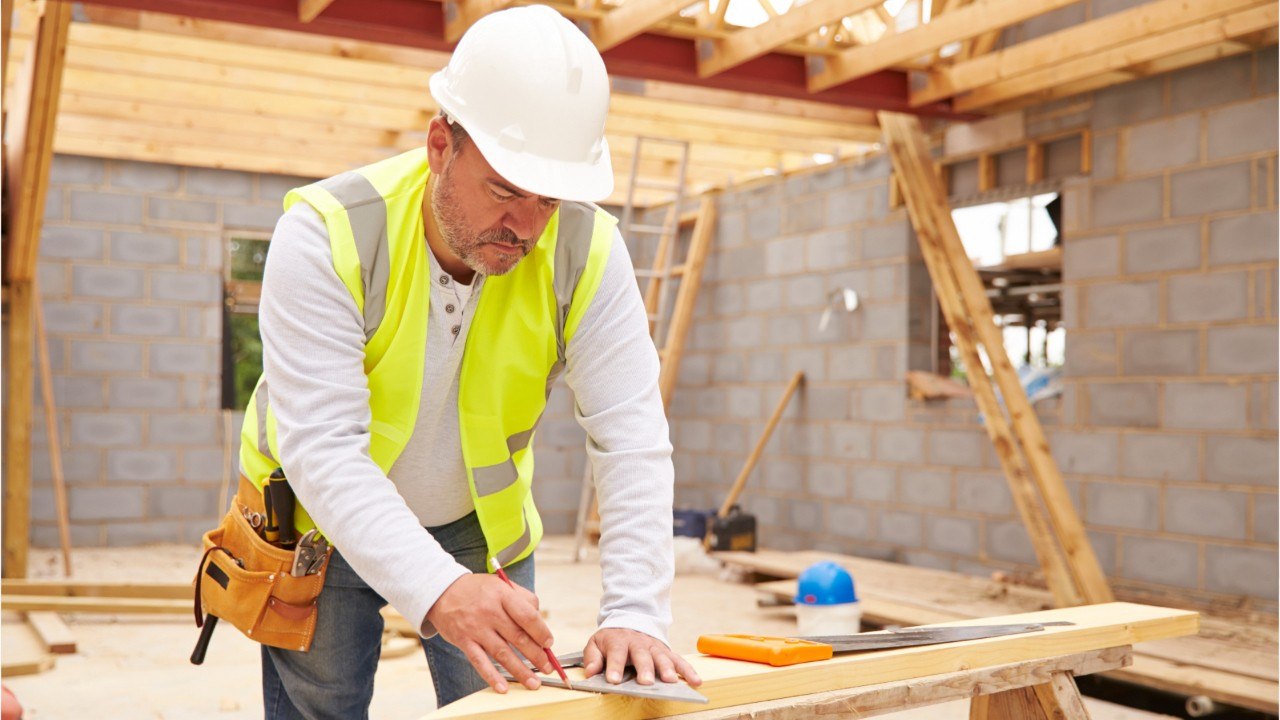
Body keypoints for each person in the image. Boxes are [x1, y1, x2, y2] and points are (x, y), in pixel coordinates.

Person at [235, 5, 700, 717]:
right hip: (319, 523)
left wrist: (637, 610)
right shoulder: (327, 235)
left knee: (507, 711)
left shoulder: (587, 251)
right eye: (505, 191)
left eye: (548, 199)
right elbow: (323, 448)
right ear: (439, 144)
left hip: (476, 527)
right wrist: (440, 591)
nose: (526, 227)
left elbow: (630, 432)